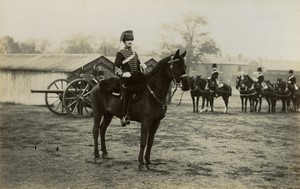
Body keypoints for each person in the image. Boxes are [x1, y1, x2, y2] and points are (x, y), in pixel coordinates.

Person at [114, 30, 147, 127]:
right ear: (124, 42)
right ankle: (124, 116)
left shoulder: (135, 53)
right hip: (125, 79)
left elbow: (137, 65)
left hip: (135, 78)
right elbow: (116, 67)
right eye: (128, 40)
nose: (130, 42)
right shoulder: (121, 53)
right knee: (126, 95)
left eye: (131, 40)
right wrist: (123, 74)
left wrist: (142, 66)